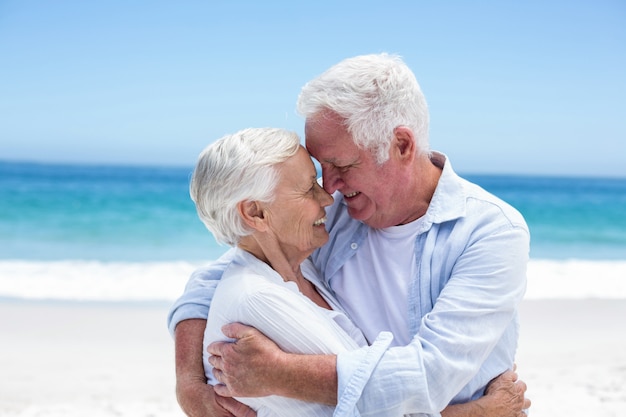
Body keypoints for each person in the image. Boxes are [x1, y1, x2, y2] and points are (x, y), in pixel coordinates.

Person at [169, 53, 530, 416]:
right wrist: (189, 385)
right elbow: (222, 275)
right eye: (319, 168)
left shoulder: (490, 231)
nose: (329, 187)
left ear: (401, 145)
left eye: (341, 165)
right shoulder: (335, 211)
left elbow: (426, 379)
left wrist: (278, 373)